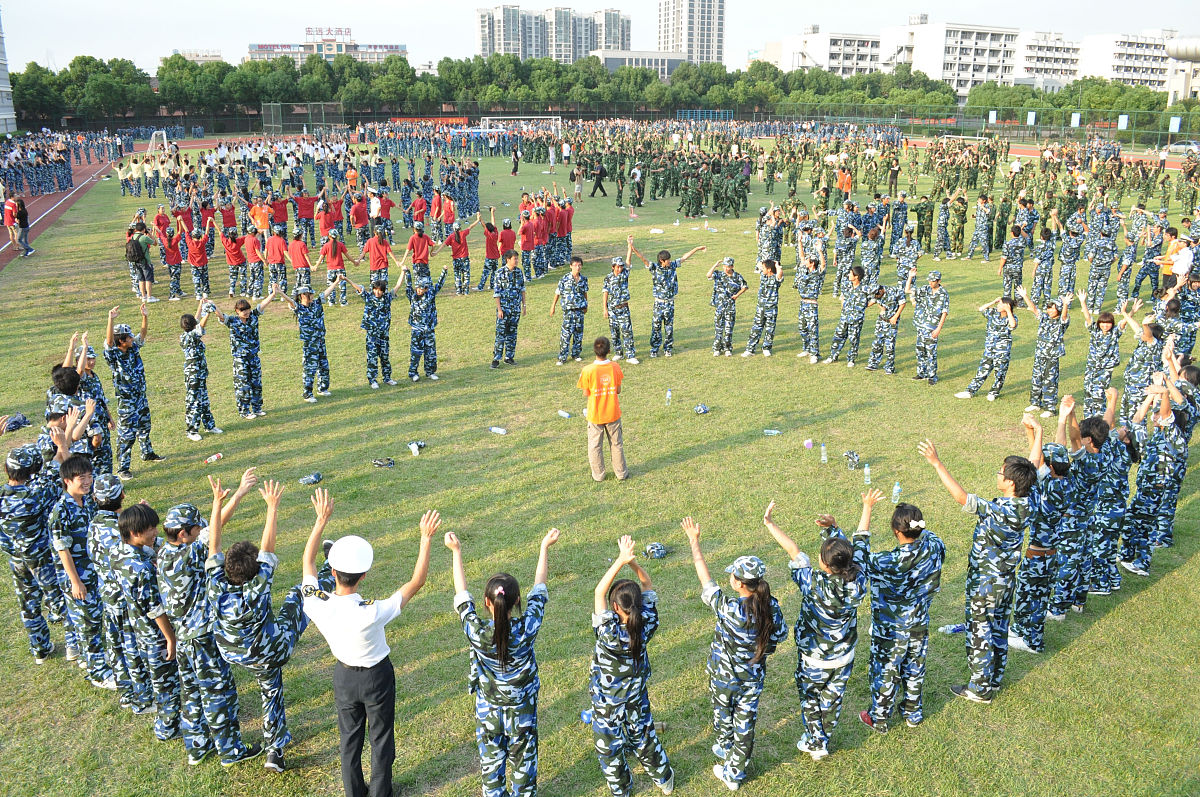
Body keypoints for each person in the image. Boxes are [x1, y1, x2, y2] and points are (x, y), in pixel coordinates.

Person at [301, 492, 440, 797]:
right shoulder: (372, 611)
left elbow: (308, 561)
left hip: (344, 678)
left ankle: (354, 793)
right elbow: (416, 582)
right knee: (381, 739)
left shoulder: (317, 603)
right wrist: (425, 539)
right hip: (377, 677)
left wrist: (321, 520)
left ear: (333, 572)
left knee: (349, 740)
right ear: (363, 575)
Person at [205, 478, 334, 773]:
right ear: (255, 569)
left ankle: (276, 751)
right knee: (299, 594)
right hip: (268, 652)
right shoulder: (258, 585)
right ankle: (332, 569)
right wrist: (272, 508)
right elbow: (268, 546)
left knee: (270, 684)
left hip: (232, 652)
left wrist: (216, 502)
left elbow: (213, 542)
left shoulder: (216, 585)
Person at [444, 526, 561, 797]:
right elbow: (540, 588)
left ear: (486, 602)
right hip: (522, 711)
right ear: (518, 601)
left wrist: (456, 552)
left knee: (490, 768)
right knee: (524, 766)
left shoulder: (477, 632)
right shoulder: (528, 626)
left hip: (488, 713)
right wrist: (544, 547)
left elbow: (461, 596)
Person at [158, 471, 263, 766]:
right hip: (203, 637)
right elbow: (214, 536)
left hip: (182, 638)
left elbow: (209, 533)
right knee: (218, 692)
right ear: (183, 534)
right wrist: (226, 500)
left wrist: (236, 495)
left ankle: (197, 747)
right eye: (196, 529)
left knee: (191, 693)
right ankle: (231, 751)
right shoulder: (187, 557)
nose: (201, 531)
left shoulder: (162, 554)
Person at [919, 437, 1035, 703]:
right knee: (998, 629)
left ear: (1011, 483)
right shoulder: (1028, 503)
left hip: (987, 583)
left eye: (1001, 472)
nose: (997, 474)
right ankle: (993, 679)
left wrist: (936, 463)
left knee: (979, 631)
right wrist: (1034, 433)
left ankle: (980, 688)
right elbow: (1035, 464)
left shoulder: (999, 510)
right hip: (1006, 581)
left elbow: (962, 497)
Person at [681, 516, 785, 791]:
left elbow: (704, 577)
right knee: (745, 725)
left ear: (739, 584)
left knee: (722, 713)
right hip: (752, 679)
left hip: (723, 678)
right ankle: (734, 766)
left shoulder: (729, 609)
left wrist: (694, 541)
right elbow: (780, 635)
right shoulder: (771, 606)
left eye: (732, 575)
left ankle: (727, 754)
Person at [761, 500, 866, 760]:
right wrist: (835, 529)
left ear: (825, 565)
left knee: (810, 699)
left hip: (814, 658)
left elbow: (793, 550)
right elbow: (859, 544)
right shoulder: (859, 579)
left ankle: (816, 742)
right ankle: (822, 739)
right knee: (832, 700)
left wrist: (770, 524)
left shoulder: (812, 583)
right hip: (844, 656)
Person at [851, 491, 946, 733]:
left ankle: (879, 718)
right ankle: (913, 713)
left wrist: (867, 508)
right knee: (914, 668)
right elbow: (928, 536)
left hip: (889, 630)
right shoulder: (935, 546)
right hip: (918, 623)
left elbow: (858, 554)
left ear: (896, 531)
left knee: (885, 671)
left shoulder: (886, 562)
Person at [589, 535, 674, 797]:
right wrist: (633, 563)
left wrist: (621, 560)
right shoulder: (647, 622)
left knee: (609, 747)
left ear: (615, 608)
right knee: (644, 737)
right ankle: (664, 779)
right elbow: (647, 584)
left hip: (608, 703)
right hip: (636, 697)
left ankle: (621, 789)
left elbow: (598, 592)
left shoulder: (608, 633)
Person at [1, 433, 71, 663]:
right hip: (42, 557)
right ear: (32, 472)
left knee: (28, 603)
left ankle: (40, 648)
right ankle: (74, 644)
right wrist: (62, 445)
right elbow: (56, 474)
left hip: (16, 558)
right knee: (59, 598)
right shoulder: (35, 495)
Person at [114, 502, 181, 741]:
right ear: (135, 533)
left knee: (159, 679)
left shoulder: (121, 552)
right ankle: (168, 728)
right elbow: (155, 609)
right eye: (151, 528)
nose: (156, 532)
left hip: (139, 631)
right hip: (155, 635)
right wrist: (170, 638)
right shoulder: (141, 569)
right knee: (166, 684)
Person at [1007, 414, 1072, 655]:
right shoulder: (1066, 483)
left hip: (1038, 554)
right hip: (1051, 552)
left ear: (1051, 467)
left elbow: (1034, 463)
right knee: (1038, 595)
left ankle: (1030, 640)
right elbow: (1040, 461)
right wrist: (1032, 431)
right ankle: (1021, 630)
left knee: (1028, 594)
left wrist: (1038, 430)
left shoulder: (1049, 487)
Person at [48, 453, 111, 687]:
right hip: (77, 576)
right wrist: (75, 581)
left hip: (93, 572)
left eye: (89, 476)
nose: (87, 481)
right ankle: (98, 673)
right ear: (67, 481)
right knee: (88, 623)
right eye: (81, 477)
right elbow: (63, 551)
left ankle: (92, 658)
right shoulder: (60, 512)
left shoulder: (89, 502)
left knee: (93, 619)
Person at [104, 304, 164, 480]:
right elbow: (108, 342)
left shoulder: (133, 348)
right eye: (129, 336)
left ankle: (147, 453)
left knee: (145, 425)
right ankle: (123, 468)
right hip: (127, 400)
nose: (132, 338)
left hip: (140, 396)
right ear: (121, 341)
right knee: (127, 434)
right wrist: (110, 319)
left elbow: (143, 334)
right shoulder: (114, 355)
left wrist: (145, 316)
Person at [629, 241, 705, 358]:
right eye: (668, 260)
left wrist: (697, 248)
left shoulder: (673, 266)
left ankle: (668, 349)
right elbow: (643, 259)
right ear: (662, 261)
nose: (670, 261)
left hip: (670, 303)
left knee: (669, 327)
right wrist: (633, 248)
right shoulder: (654, 268)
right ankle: (654, 349)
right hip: (659, 303)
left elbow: (685, 257)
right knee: (656, 327)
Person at [215, 292, 277, 419]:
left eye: (247, 309)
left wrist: (274, 293)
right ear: (237, 311)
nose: (246, 312)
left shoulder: (254, 316)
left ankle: (257, 408)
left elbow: (263, 305)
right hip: (240, 358)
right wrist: (212, 305)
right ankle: (244, 411)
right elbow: (221, 317)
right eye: (243, 310)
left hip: (253, 356)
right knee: (243, 385)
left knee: (256, 383)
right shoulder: (232, 321)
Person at [577, 337, 628, 482]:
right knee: (616, 444)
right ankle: (621, 473)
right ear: (609, 351)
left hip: (595, 414)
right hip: (612, 413)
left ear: (594, 351)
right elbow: (618, 390)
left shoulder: (587, 370)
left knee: (595, 446)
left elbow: (586, 393)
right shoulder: (615, 367)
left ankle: (598, 475)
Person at [280, 281, 339, 401]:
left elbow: (326, 293)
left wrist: (337, 281)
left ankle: (322, 388)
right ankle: (307, 394)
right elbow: (290, 302)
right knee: (310, 368)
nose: (312, 296)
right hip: (310, 344)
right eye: (309, 294)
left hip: (320, 341)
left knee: (324, 366)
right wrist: (280, 292)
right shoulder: (299, 308)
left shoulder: (316, 303)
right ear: (302, 296)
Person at [1018, 288, 1071, 418]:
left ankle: (1050, 408)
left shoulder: (1061, 322)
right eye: (1048, 308)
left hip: (1052, 356)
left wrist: (1065, 304)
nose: (1050, 311)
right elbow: (1034, 309)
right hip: (1040, 354)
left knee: (1050, 381)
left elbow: (1064, 316)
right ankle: (1035, 403)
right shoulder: (1044, 318)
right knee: (1036, 378)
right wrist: (1025, 296)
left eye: (1053, 308)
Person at [956, 297, 1018, 401]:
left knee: (1000, 373)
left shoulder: (1012, 317)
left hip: (1002, 351)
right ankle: (970, 391)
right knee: (982, 371)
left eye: (1000, 304)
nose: (998, 306)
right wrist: (994, 301)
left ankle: (994, 392)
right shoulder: (993, 313)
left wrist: (1008, 311)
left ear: (1007, 306)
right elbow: (981, 309)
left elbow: (1012, 325)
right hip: (989, 349)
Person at [343, 274, 399, 389]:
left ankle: (387, 378)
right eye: (375, 289)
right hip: (372, 334)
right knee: (372, 357)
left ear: (383, 291)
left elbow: (397, 286)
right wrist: (346, 279)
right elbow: (358, 288)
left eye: (380, 290)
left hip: (383, 334)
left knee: (385, 357)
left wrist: (403, 272)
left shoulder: (387, 298)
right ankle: (372, 380)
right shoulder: (368, 297)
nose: (377, 292)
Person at [179, 303, 222, 441]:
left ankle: (209, 425)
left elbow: (197, 320)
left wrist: (200, 305)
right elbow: (201, 325)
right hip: (193, 374)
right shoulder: (188, 336)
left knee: (204, 400)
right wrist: (208, 313)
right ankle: (192, 431)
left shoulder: (189, 333)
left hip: (200, 373)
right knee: (194, 402)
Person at [401, 264, 447, 382]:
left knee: (430, 351)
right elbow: (408, 285)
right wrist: (407, 272)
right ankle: (413, 373)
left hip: (429, 328)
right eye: (418, 288)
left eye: (422, 288)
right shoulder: (412, 296)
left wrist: (444, 271)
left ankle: (430, 372)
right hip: (417, 329)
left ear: (426, 289)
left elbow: (439, 285)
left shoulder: (430, 295)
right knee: (416, 352)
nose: (419, 290)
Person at [907, 270, 949, 384]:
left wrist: (938, 329)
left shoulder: (943, 294)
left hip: (932, 327)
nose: (931, 282)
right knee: (920, 350)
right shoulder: (925, 289)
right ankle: (921, 373)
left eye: (933, 281)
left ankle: (932, 376)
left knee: (931, 352)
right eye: (929, 280)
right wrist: (910, 277)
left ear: (939, 281)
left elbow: (944, 312)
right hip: (921, 325)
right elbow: (907, 290)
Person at [824, 266, 870, 367]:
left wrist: (862, 307)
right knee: (838, 336)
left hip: (856, 319)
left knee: (854, 339)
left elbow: (874, 299)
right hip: (844, 316)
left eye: (850, 274)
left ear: (856, 277)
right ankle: (833, 356)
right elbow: (843, 297)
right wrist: (843, 306)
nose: (848, 275)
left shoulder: (865, 289)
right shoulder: (847, 286)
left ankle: (851, 359)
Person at [550, 255, 588, 365]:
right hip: (568, 310)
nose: (578, 267)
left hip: (579, 310)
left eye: (580, 265)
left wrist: (586, 305)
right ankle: (562, 357)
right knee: (566, 334)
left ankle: (576, 354)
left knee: (578, 333)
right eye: (575, 265)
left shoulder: (583, 279)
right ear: (571, 266)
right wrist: (553, 306)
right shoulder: (564, 279)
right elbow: (558, 293)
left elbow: (585, 293)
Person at [492, 249, 527, 369]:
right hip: (504, 309)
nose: (517, 261)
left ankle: (509, 357)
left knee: (512, 333)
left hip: (515, 309)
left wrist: (524, 305)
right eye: (514, 258)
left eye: (517, 258)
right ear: (508, 259)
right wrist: (499, 309)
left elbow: (522, 289)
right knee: (500, 334)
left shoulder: (518, 272)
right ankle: (496, 359)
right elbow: (496, 293)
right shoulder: (500, 273)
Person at [603, 249, 639, 364]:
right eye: (617, 267)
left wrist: (630, 246)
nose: (620, 269)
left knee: (627, 331)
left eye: (621, 266)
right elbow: (605, 292)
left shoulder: (624, 274)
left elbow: (628, 261)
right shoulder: (608, 278)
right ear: (613, 267)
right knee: (614, 332)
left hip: (623, 308)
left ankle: (630, 355)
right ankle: (618, 352)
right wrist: (605, 308)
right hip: (612, 309)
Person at [706, 257, 748, 357]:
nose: (725, 268)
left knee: (729, 329)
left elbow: (745, 286)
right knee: (718, 329)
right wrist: (715, 265)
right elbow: (708, 275)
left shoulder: (737, 276)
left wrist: (737, 295)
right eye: (724, 266)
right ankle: (717, 348)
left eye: (727, 267)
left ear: (732, 266)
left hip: (730, 306)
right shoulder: (718, 274)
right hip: (719, 306)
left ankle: (727, 348)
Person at [742, 260, 784, 357]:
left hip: (771, 308)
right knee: (756, 328)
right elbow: (759, 264)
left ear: (769, 269)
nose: (762, 269)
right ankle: (750, 349)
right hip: (760, 308)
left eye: (765, 268)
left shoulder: (776, 279)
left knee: (770, 329)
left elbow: (780, 274)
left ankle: (766, 348)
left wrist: (777, 265)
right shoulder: (763, 276)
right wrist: (767, 262)